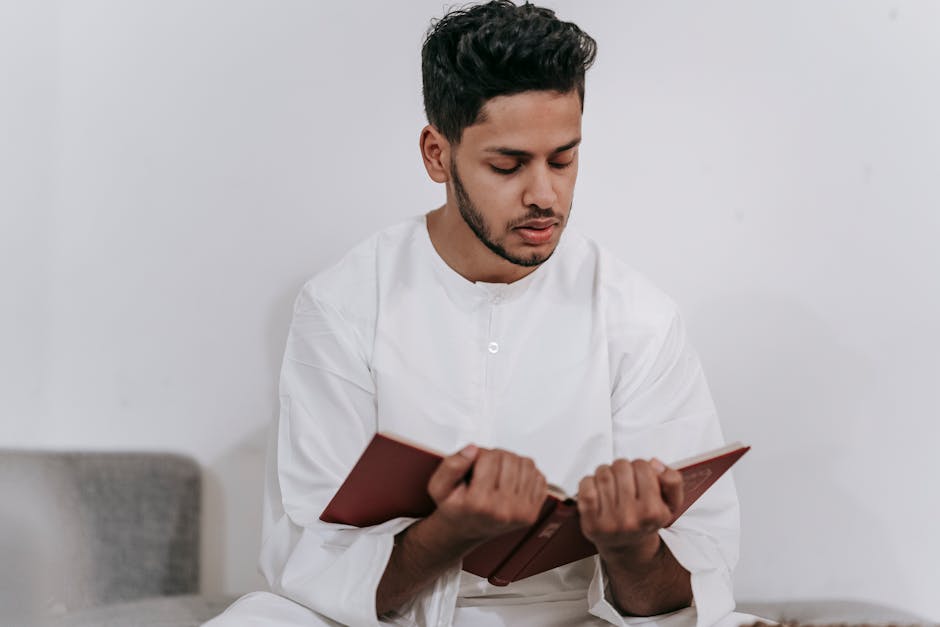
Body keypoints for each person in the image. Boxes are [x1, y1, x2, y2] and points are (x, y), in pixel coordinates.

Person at [206, 2, 759, 626]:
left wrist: (630, 546)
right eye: (508, 164)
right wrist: (451, 532)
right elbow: (313, 569)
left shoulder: (640, 318)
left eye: (563, 159)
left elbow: (694, 586)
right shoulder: (344, 306)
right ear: (437, 154)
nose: (544, 195)